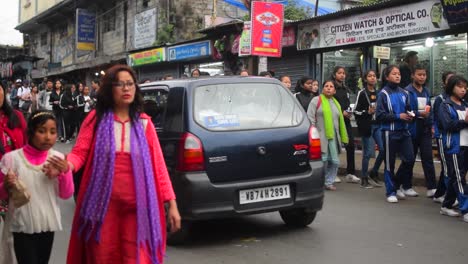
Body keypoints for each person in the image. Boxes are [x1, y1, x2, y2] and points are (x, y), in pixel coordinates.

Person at [45, 64, 181, 263]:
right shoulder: (95, 119)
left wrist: (173, 204)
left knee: (135, 257)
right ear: (109, 89)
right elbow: (79, 152)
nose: (126, 89)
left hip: (138, 209)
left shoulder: (144, 123)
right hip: (101, 207)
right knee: (102, 256)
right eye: (120, 84)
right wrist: (67, 165)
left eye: (130, 84)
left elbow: (158, 167)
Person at [0, 110, 74, 264]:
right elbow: (3, 194)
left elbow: (67, 194)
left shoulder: (58, 159)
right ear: (31, 132)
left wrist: (64, 172)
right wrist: (6, 185)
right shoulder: (11, 159)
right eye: (42, 131)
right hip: (21, 224)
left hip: (47, 224)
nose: (48, 137)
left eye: (53, 132)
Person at [376, 65, 415, 203]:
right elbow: (380, 115)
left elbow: (409, 110)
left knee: (410, 159)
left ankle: (396, 184)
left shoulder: (405, 93)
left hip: (404, 131)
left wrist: (411, 115)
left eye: (398, 74)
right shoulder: (383, 94)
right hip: (389, 132)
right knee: (389, 163)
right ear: (387, 77)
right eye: (394, 74)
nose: (397, 76)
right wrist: (399, 116)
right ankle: (390, 191)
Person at [307, 80, 348, 191]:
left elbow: (340, 122)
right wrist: (314, 133)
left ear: (334, 90)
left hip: (333, 137)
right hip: (320, 136)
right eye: (326, 86)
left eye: (331, 87)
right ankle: (319, 181)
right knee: (322, 161)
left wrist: (342, 136)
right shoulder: (316, 100)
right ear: (323, 89)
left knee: (334, 161)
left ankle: (329, 182)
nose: (329, 88)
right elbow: (310, 117)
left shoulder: (336, 103)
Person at [437, 75, 468, 222]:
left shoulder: (465, 104)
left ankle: (446, 205)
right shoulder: (445, 105)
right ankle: (465, 208)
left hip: (466, 144)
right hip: (454, 146)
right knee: (459, 178)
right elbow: (447, 125)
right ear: (452, 87)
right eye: (460, 87)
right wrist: (464, 121)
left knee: (457, 177)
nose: (463, 90)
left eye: (465, 87)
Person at [404, 65, 437, 198]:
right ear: (413, 75)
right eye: (419, 74)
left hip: (425, 128)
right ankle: (406, 185)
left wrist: (432, 124)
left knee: (428, 158)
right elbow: (406, 110)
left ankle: (432, 187)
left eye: (424, 75)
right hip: (412, 127)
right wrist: (419, 113)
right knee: (410, 159)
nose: (422, 77)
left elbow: (431, 110)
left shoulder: (427, 91)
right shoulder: (407, 91)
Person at [354, 70, 384, 188]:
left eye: (374, 76)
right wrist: (367, 112)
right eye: (369, 76)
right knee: (367, 153)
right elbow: (355, 111)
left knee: (383, 150)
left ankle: (374, 172)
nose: (372, 78)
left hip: (378, 125)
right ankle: (364, 178)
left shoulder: (379, 93)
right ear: (365, 79)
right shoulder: (362, 93)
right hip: (367, 126)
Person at [332, 66, 360, 184]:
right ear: (334, 75)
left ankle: (350, 173)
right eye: (339, 73)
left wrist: (349, 111)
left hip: (346, 121)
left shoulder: (346, 89)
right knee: (335, 147)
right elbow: (330, 104)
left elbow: (347, 103)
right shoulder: (331, 88)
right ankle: (333, 173)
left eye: (343, 73)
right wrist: (341, 112)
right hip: (335, 121)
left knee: (350, 145)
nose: (342, 75)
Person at [433, 71, 456, 203]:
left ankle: (439, 194)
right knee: (448, 167)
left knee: (449, 167)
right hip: (442, 136)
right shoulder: (440, 99)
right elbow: (438, 119)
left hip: (454, 137)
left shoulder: (459, 99)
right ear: (444, 83)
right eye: (450, 80)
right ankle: (450, 196)